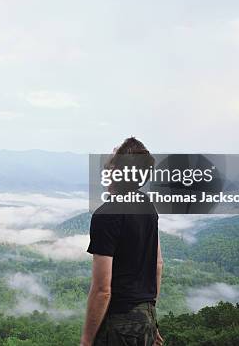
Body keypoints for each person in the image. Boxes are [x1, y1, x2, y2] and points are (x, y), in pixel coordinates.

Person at [80, 137, 164, 346]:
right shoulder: (147, 206)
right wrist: (149, 319)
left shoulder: (107, 215)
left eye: (110, 161)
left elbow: (102, 290)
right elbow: (158, 264)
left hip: (119, 325)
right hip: (145, 318)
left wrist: (86, 341)